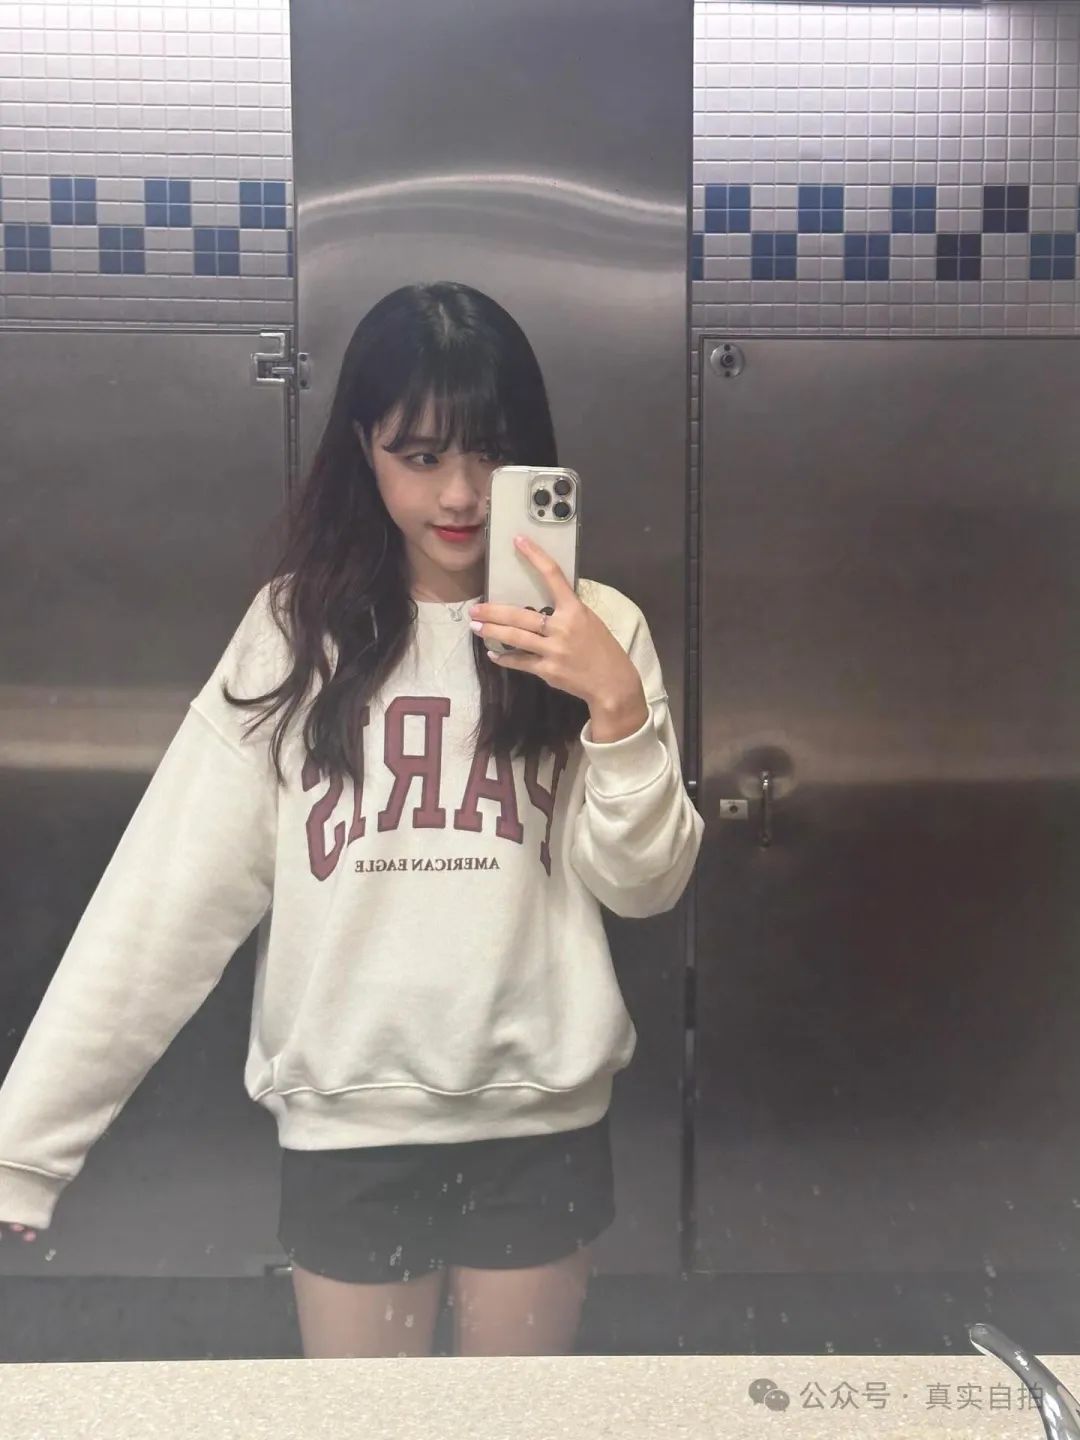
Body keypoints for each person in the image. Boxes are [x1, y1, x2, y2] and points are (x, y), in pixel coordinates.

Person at [0, 280, 703, 1357]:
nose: (460, 493)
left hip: (539, 1126)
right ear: (364, 451)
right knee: (365, 1428)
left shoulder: (599, 629)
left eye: (490, 453)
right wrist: (27, 1144)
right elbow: (168, 890)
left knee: (514, 1434)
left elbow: (644, 886)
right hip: (348, 1132)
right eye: (420, 455)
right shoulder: (295, 634)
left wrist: (615, 708)